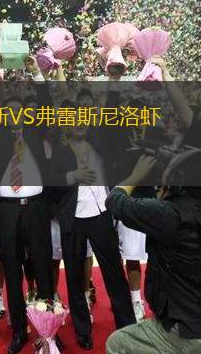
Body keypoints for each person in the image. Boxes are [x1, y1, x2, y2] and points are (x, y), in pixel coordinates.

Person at [105, 153, 201, 354]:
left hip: (197, 336)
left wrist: (136, 176)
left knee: (117, 343)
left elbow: (114, 200)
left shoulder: (169, 214)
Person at [49, 79, 136, 350]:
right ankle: (83, 330)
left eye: (82, 119)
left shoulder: (100, 143)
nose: (78, 123)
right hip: (72, 219)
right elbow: (50, 181)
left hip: (101, 216)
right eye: (73, 120)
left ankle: (128, 326)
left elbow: (111, 112)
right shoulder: (59, 152)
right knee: (75, 278)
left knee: (114, 273)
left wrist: (114, 81)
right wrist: (72, 176)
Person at [0, 55, 54, 354]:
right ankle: (19, 330)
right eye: (7, 112)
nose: (13, 115)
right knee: (11, 270)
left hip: (36, 206)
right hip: (7, 209)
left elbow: (46, 104)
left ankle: (48, 330)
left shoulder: (35, 131)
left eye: (18, 111)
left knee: (42, 268)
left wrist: (36, 72)